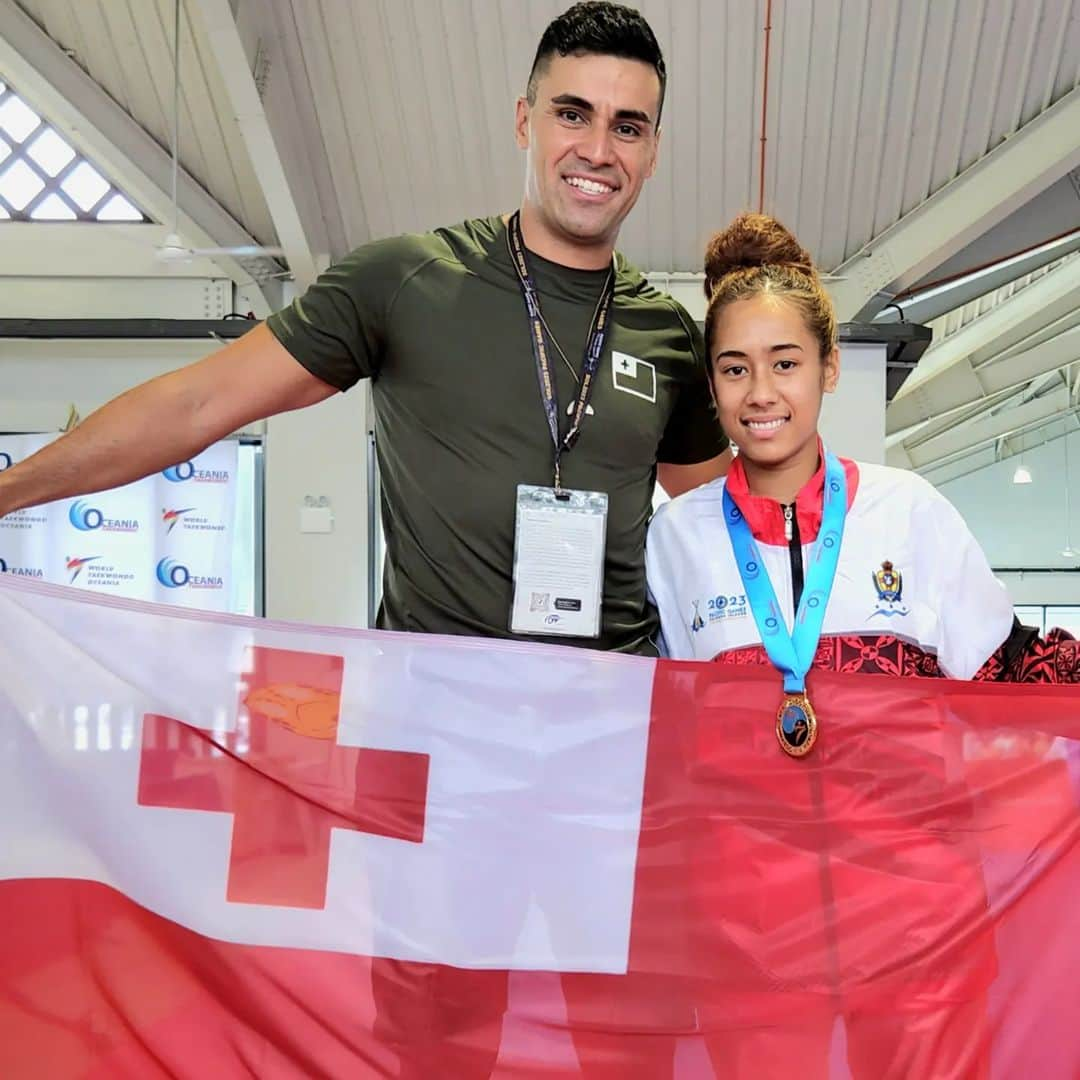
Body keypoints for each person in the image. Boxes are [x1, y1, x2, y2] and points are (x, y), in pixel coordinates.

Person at [0, 4, 728, 1076]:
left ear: (654, 148)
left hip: (610, 759)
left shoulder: (668, 335)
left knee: (633, 1039)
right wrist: (9, 493)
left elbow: (725, 544)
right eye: (574, 113)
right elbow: (202, 403)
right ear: (524, 120)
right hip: (439, 750)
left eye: (629, 125)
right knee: (435, 1042)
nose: (598, 148)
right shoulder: (409, 283)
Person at [642, 211, 1080, 1078]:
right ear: (712, 384)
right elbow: (652, 731)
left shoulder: (907, 511)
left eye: (785, 364)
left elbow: (1010, 670)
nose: (761, 393)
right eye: (735, 369)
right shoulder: (676, 540)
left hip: (920, 923)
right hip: (751, 935)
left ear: (830, 369)